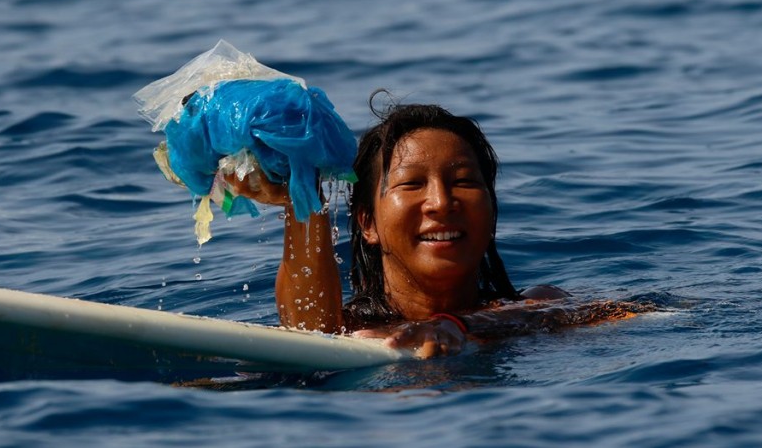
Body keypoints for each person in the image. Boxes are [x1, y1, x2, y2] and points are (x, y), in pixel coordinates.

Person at [225, 93, 651, 358]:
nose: (442, 203)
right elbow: (306, 336)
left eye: (464, 182)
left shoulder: (538, 310)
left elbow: (649, 316)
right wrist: (302, 203)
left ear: (491, 212)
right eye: (411, 185)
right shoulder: (353, 331)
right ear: (367, 223)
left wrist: (460, 326)